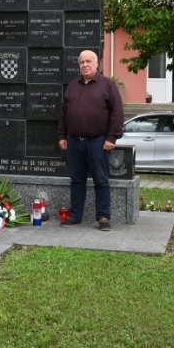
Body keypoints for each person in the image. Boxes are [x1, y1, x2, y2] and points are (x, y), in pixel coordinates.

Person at [57, 49, 125, 231]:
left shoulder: (107, 85)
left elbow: (117, 113)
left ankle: (103, 217)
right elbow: (64, 113)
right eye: (82, 62)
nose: (85, 65)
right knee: (76, 180)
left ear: (97, 64)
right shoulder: (72, 86)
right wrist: (62, 135)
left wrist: (112, 137)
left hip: (98, 141)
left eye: (89, 61)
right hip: (75, 142)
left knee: (101, 180)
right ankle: (76, 215)